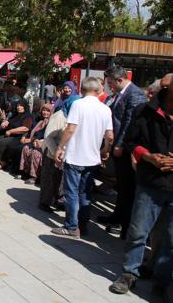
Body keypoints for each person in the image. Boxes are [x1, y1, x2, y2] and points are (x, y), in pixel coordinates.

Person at [108, 74, 173, 300]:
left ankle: (161, 282)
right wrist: (148, 157)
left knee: (170, 240)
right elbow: (132, 142)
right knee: (138, 232)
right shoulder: (146, 110)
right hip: (151, 182)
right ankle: (128, 274)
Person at [52, 77, 114, 238]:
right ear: (98, 89)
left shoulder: (78, 104)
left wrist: (60, 147)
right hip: (92, 158)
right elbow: (110, 136)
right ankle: (82, 226)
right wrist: (105, 150)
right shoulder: (105, 109)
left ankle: (72, 226)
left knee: (72, 192)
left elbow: (70, 129)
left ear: (82, 89)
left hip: (75, 156)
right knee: (85, 193)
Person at [100, 66, 147, 239]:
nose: (110, 86)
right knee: (121, 186)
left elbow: (129, 122)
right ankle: (117, 216)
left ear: (120, 80)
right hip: (119, 146)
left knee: (127, 188)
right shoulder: (122, 94)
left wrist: (119, 144)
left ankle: (125, 226)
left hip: (126, 148)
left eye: (111, 83)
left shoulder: (134, 94)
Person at [39, 95, 79, 212]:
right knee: (49, 178)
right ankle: (44, 202)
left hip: (64, 153)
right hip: (52, 151)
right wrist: (56, 152)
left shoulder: (73, 116)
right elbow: (48, 137)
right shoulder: (59, 116)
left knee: (60, 179)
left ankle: (59, 199)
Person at [0, 102, 34, 169]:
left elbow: (25, 128)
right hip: (9, 134)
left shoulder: (28, 116)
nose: (18, 107)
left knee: (2, 142)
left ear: (25, 107)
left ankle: (2, 163)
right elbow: (9, 121)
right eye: (18, 105)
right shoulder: (16, 115)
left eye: (21, 106)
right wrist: (5, 122)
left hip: (18, 137)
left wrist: (11, 131)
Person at [18, 103, 53, 184]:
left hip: (45, 144)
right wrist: (27, 138)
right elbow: (31, 131)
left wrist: (38, 141)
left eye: (48, 111)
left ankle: (34, 176)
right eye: (44, 110)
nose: (45, 112)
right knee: (25, 148)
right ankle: (25, 172)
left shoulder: (51, 123)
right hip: (34, 141)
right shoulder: (40, 121)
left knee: (35, 153)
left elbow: (48, 136)